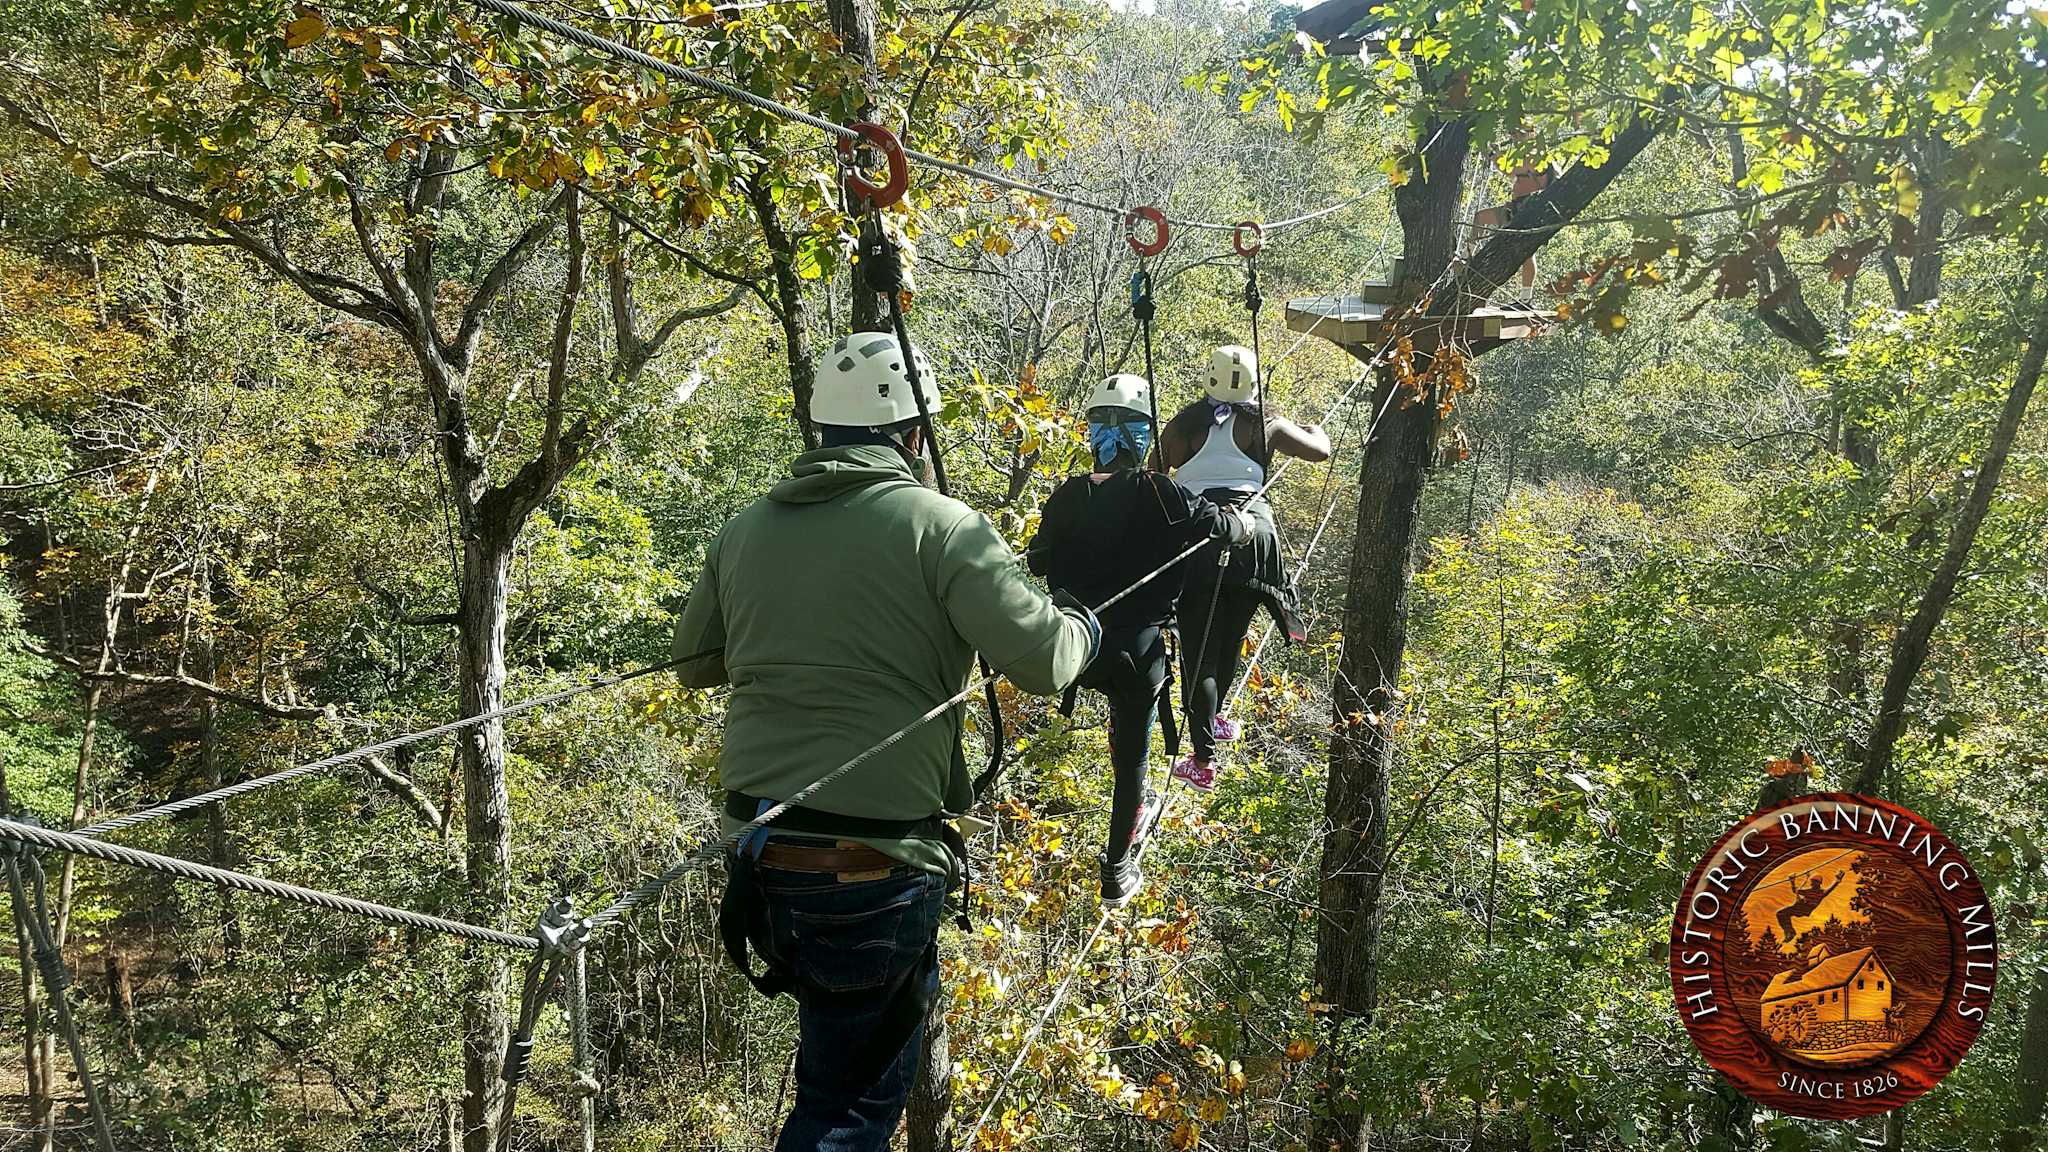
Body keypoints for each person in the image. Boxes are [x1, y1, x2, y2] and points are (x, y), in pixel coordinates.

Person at [671, 330, 1100, 1152]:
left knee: (831, 1084)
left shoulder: (745, 529)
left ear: (823, 432)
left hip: (762, 857)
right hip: (873, 871)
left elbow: (694, 663)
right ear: (912, 436)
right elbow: (1047, 662)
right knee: (849, 1114)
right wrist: (1083, 622)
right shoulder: (942, 526)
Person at [1026, 373, 1253, 904]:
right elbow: (1224, 527)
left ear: (1092, 435)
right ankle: (1117, 871)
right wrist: (1246, 524)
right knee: (1131, 765)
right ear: (1144, 436)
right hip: (1138, 652)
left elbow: (1039, 561)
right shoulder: (1163, 492)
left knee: (1127, 751)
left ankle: (1124, 842)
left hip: (1076, 648)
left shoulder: (1067, 496)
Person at [1156, 344, 1330, 791]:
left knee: (1199, 651)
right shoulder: (1264, 424)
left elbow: (1152, 476)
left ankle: (1203, 757)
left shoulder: (1183, 426)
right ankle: (1214, 721)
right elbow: (1321, 449)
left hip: (1201, 538)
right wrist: (1309, 427)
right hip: (1256, 539)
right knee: (1231, 634)